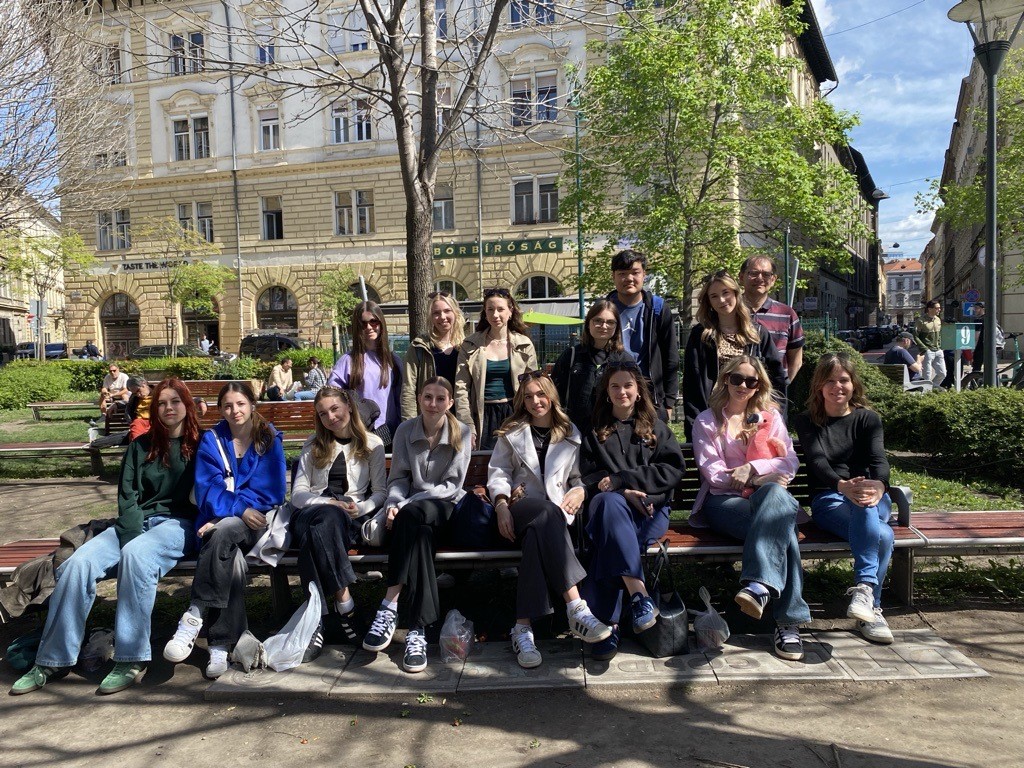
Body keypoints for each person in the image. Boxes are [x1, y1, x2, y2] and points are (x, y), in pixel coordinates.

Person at [10, 379, 201, 696]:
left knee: (137, 556)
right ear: (155, 409)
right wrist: (129, 532)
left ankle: (131, 658)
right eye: (162, 403)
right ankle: (53, 659)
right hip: (135, 523)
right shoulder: (141, 447)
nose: (169, 407)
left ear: (187, 405)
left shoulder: (200, 444)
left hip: (178, 525)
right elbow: (127, 497)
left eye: (175, 401)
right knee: (77, 563)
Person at [488, 370, 611, 668]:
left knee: (537, 534)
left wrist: (580, 491)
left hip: (553, 517)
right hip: (519, 508)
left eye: (540, 394)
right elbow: (498, 472)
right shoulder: (512, 431)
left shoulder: (569, 432)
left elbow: (577, 478)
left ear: (551, 396)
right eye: (528, 396)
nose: (535, 401)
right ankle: (575, 606)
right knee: (544, 513)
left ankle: (522, 629)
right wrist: (502, 505)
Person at [163, 382, 287, 678]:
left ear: (252, 405)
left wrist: (236, 511)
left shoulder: (268, 438)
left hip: (256, 526)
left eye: (241, 404)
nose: (235, 411)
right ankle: (219, 647)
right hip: (219, 524)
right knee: (228, 556)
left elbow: (272, 491)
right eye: (228, 406)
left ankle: (193, 617)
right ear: (221, 410)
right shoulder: (212, 440)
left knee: (225, 530)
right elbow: (207, 488)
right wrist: (236, 509)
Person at [690, 355, 809, 661]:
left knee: (778, 510)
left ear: (759, 386)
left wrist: (753, 468)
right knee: (784, 527)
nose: (743, 386)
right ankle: (788, 623)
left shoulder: (770, 417)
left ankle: (758, 586)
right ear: (725, 380)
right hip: (723, 503)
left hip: (764, 500)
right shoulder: (707, 421)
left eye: (751, 381)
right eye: (737, 379)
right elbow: (715, 475)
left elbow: (790, 461)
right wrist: (763, 476)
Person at [361, 377, 473, 673]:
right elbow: (397, 478)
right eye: (427, 397)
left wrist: (406, 505)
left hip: (446, 510)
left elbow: (452, 486)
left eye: (440, 398)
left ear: (450, 402)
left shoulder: (463, 432)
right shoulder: (404, 431)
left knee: (411, 518)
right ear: (419, 399)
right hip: (414, 518)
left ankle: (389, 604)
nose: (433, 404)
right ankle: (417, 631)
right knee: (419, 536)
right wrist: (395, 503)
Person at [579, 360, 686, 661]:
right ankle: (639, 596)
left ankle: (607, 625)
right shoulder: (595, 432)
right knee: (608, 504)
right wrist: (622, 492)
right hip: (612, 510)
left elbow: (672, 470)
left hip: (649, 513)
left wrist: (630, 483)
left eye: (628, 385)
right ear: (606, 392)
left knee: (607, 542)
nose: (621, 391)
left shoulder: (656, 429)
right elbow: (588, 477)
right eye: (615, 386)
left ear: (638, 391)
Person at [794, 354, 895, 645]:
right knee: (884, 536)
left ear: (854, 384)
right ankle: (872, 605)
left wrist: (880, 485)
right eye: (830, 381)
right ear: (819, 387)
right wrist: (842, 486)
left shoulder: (868, 419)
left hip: (870, 495)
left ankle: (865, 591)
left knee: (865, 499)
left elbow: (879, 461)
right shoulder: (807, 421)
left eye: (844, 380)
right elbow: (817, 462)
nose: (837, 386)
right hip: (830, 499)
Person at [286, 386, 386, 660]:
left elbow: (380, 492)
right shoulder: (313, 443)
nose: (330, 417)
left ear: (349, 408)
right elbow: (298, 494)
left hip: (348, 518)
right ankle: (346, 606)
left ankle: (316, 620)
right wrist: (327, 503)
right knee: (325, 518)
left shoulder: (372, 444)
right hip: (312, 511)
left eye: (334, 409)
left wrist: (361, 507)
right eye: (323, 413)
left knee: (315, 537)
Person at [683, 270, 786, 440]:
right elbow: (691, 385)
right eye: (714, 296)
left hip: (750, 417)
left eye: (726, 293)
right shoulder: (701, 335)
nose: (722, 300)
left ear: (736, 293)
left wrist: (775, 416)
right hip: (713, 416)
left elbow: (777, 380)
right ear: (708, 302)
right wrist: (694, 427)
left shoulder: (758, 333)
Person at [456, 287, 537, 450]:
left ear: (510, 311)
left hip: (514, 414)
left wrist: (530, 418)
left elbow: (533, 385)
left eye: (500, 309)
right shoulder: (470, 345)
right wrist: (467, 425)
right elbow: (461, 388)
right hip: (481, 415)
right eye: (490, 309)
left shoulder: (524, 344)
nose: (495, 315)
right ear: (485, 313)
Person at [606, 249, 679, 420]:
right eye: (622, 273)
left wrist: (668, 401)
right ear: (613, 276)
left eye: (635, 272)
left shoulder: (658, 308)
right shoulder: (604, 310)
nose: (629, 278)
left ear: (644, 274)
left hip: (651, 396)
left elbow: (671, 357)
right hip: (614, 394)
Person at [550, 299, 634, 435]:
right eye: (598, 321)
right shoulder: (571, 355)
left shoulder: (624, 360)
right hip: (575, 433)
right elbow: (554, 394)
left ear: (617, 327)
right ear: (588, 323)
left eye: (610, 322)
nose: (604, 326)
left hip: (611, 433)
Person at [328, 301, 402, 449]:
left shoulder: (394, 361)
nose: (369, 327)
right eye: (363, 323)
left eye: (373, 321)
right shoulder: (347, 362)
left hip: (392, 433)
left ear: (381, 323)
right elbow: (331, 398)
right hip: (360, 434)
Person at [739, 255, 805, 382]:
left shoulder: (787, 314)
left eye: (766, 274)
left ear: (773, 279)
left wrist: (783, 386)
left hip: (773, 394)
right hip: (736, 391)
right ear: (741, 277)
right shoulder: (730, 312)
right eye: (753, 273)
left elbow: (796, 360)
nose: (760, 278)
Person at [402, 291, 466, 420]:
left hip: (459, 419)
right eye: (436, 313)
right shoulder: (419, 347)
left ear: (455, 313)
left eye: (447, 311)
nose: (442, 317)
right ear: (430, 317)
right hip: (429, 420)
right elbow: (408, 390)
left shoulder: (466, 347)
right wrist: (410, 424)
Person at [914, 299, 945, 388]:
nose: (939, 310)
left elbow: (940, 335)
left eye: (940, 308)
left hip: (938, 350)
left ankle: (930, 389)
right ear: (930, 309)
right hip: (927, 351)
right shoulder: (921, 321)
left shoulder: (938, 319)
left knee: (942, 373)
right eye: (937, 308)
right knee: (927, 375)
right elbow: (915, 336)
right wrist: (924, 349)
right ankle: (926, 393)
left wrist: (940, 346)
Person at [971, 302, 1005, 378]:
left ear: (983, 309)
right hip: (992, 347)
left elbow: (976, 336)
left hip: (980, 348)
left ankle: (974, 386)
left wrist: (972, 350)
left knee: (976, 368)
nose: (975, 310)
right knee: (993, 368)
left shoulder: (978, 320)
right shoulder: (993, 319)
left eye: (976, 308)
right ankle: (994, 384)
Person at [125, 375, 154, 441]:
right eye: (134, 393)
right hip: (139, 422)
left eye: (138, 390)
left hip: (155, 421)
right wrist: (116, 404)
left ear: (144, 384)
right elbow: (128, 405)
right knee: (136, 438)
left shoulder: (158, 393)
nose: (138, 395)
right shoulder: (134, 398)